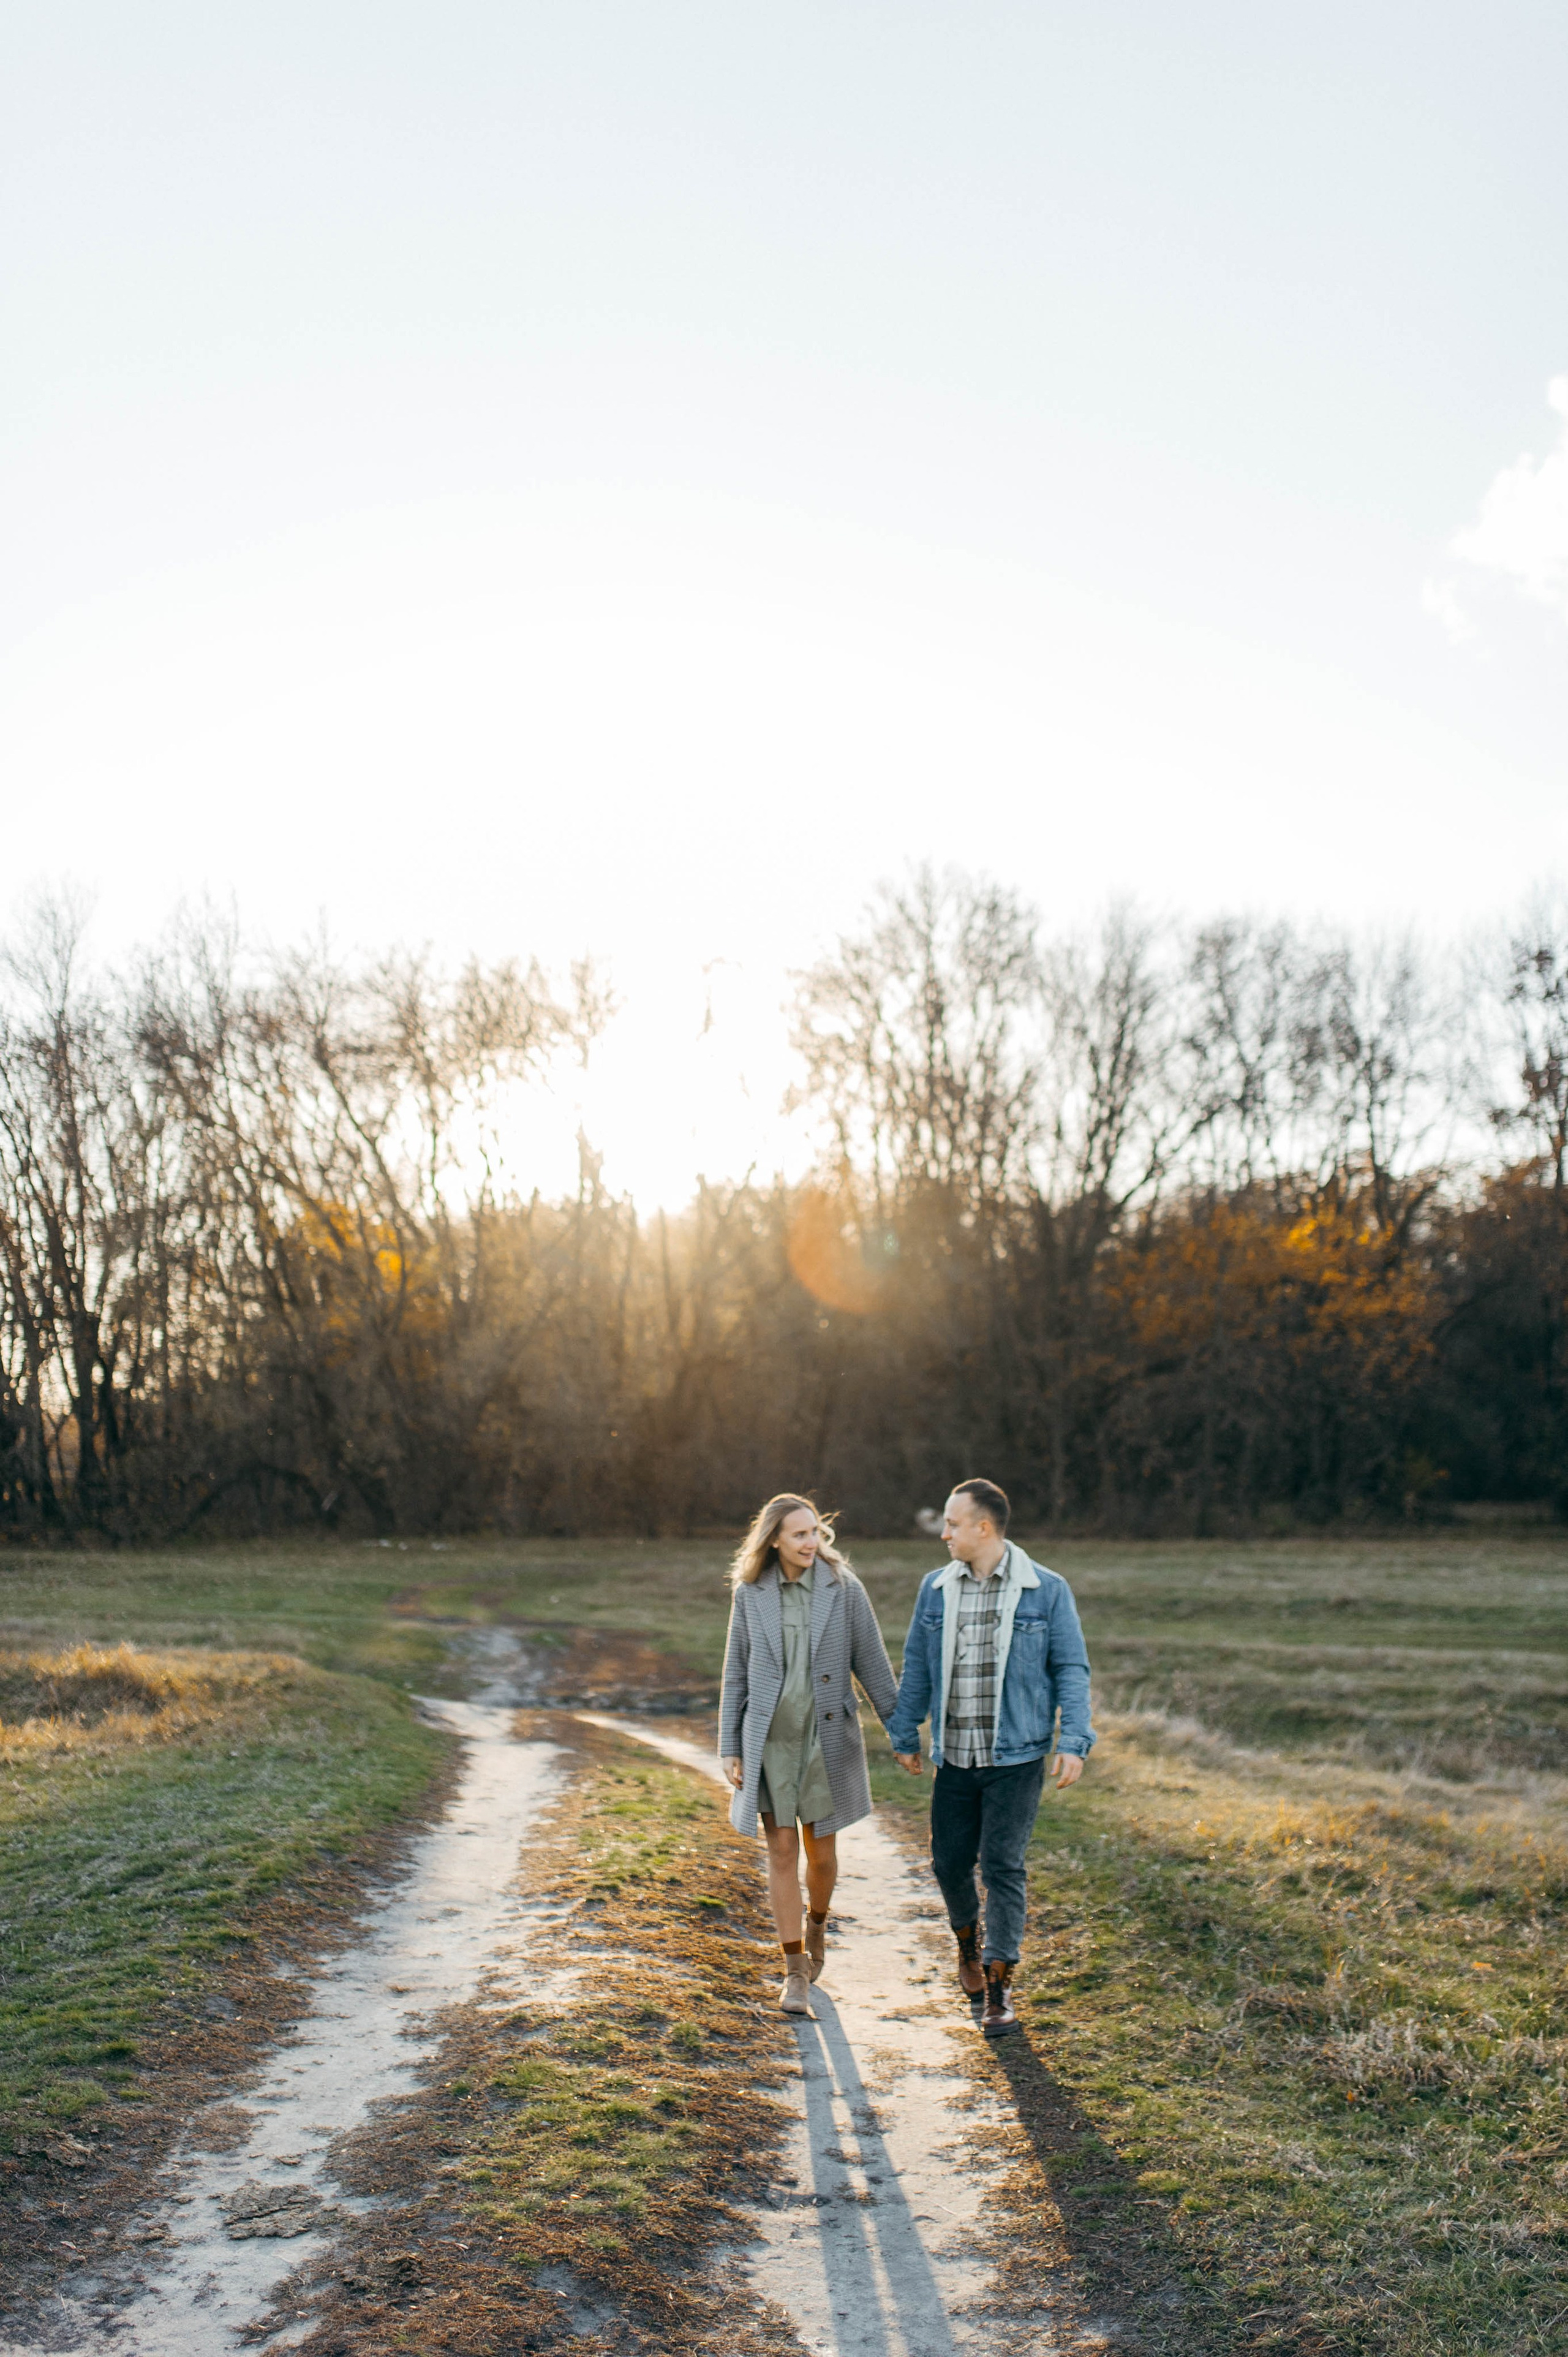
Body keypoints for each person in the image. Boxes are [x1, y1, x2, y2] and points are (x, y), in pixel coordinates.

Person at [887, 1477, 1094, 2037]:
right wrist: (906, 1732)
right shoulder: (936, 1588)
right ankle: (967, 1945)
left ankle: (999, 1991)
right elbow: (918, 1666)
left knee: (1003, 1865)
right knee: (949, 1864)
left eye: (952, 1524)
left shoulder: (1045, 1590)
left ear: (984, 1527)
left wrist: (1073, 1740)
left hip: (1017, 1756)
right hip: (955, 1755)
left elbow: (1070, 1669)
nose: (944, 1533)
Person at [720, 1493, 900, 2017]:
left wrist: (902, 1734)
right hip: (770, 1740)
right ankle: (794, 1971)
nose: (810, 1542)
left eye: (815, 1532)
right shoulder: (750, 1592)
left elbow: (873, 1664)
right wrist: (730, 1744)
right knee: (780, 1852)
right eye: (799, 1534)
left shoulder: (843, 1588)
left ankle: (817, 1922)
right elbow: (737, 1669)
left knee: (820, 1855)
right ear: (773, 1538)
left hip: (824, 1741)